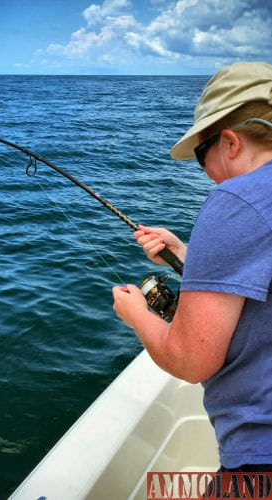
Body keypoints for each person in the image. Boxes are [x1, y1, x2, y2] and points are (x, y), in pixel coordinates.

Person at [112, 61, 272, 471]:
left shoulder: (237, 199)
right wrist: (188, 255)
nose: (207, 174)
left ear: (231, 142)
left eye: (202, 153)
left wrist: (136, 315)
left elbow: (189, 359)